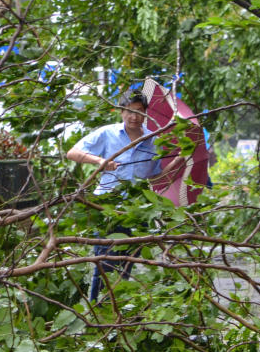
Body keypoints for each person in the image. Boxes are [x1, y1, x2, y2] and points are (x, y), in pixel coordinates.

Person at [66, 89, 183, 302]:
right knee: (103, 262)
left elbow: (154, 179)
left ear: (146, 113)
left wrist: (175, 164)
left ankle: (115, 313)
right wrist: (99, 162)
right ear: (121, 112)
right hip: (106, 207)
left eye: (138, 111)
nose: (133, 116)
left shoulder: (152, 141)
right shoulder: (107, 133)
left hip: (136, 210)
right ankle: (97, 311)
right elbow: (72, 152)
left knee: (126, 264)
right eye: (128, 111)